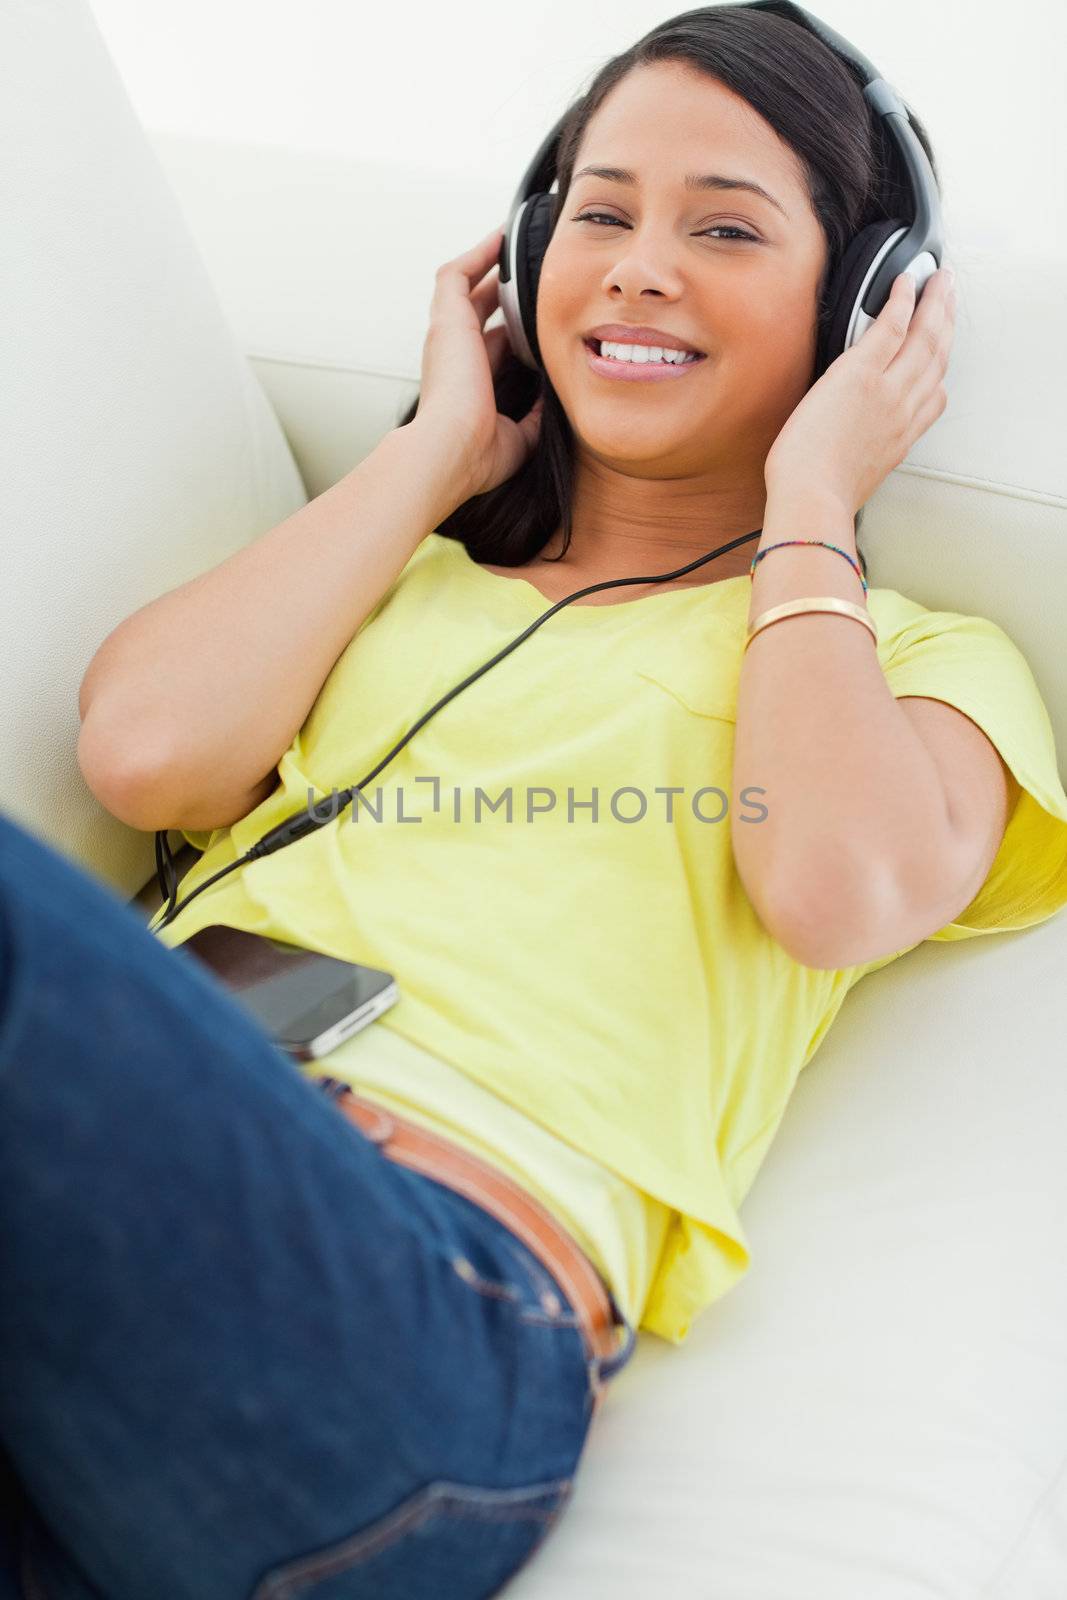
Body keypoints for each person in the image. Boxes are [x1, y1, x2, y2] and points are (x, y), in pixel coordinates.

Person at [7, 5, 1067, 1597]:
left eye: (724, 226)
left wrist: (812, 499)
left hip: (416, 1326)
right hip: (102, 1322)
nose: (640, 264)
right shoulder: (397, 577)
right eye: (599, 212)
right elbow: (145, 753)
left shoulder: (902, 657)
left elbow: (840, 886)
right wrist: (437, 451)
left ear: (857, 311)